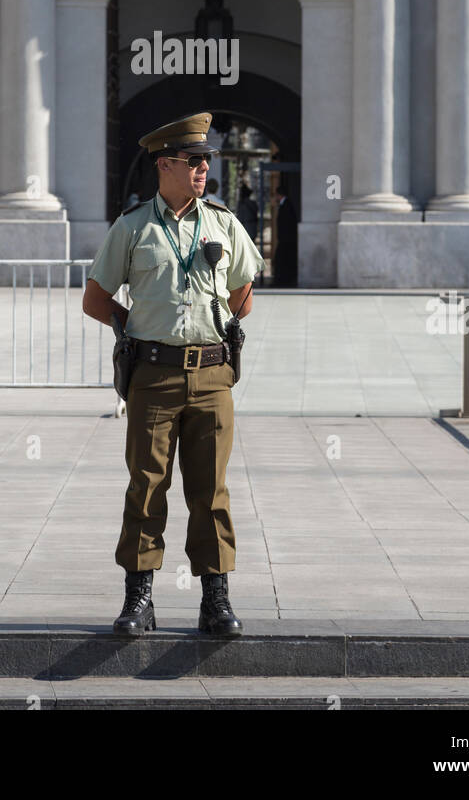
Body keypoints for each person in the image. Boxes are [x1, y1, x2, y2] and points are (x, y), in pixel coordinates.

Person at [82, 111, 265, 637]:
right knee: (147, 485)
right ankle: (139, 600)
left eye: (206, 160)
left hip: (211, 374)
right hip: (154, 376)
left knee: (211, 491)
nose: (204, 168)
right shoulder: (134, 226)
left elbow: (244, 293)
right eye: (194, 161)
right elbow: (96, 298)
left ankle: (216, 600)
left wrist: (222, 321)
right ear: (166, 165)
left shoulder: (223, 222)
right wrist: (129, 328)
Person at [273, 181, 298, 287]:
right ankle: (281, 280)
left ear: (279, 195)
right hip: (285, 239)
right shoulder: (285, 204)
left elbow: (286, 223)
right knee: (281, 260)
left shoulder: (286, 205)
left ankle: (282, 280)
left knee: (282, 260)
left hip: (286, 240)